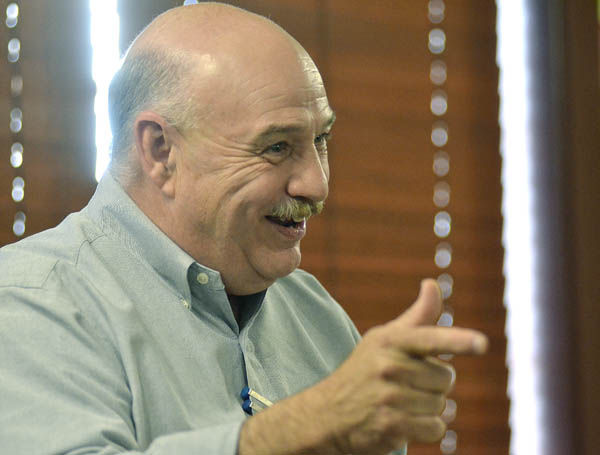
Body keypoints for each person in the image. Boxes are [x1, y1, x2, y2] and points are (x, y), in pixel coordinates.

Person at [0, 3, 488, 454]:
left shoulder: (315, 314)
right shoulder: (28, 303)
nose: (316, 185)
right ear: (160, 151)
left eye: (321, 140)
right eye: (276, 147)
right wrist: (308, 426)